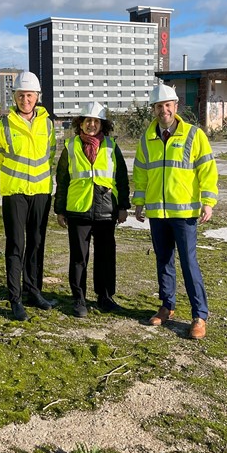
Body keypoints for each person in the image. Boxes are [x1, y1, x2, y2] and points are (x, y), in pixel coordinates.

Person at [132, 83, 218, 340]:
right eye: (159, 106)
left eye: (167, 105)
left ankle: (199, 315)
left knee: (189, 263)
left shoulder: (194, 135)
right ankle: (167, 306)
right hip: (158, 213)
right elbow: (141, 173)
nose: (163, 110)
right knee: (163, 261)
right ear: (154, 109)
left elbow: (207, 169)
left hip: (184, 213)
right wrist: (139, 202)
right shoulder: (146, 139)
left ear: (176, 106)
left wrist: (208, 201)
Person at [54, 102, 130, 318]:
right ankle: (79, 298)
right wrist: (60, 210)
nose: (91, 124)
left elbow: (122, 179)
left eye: (96, 121)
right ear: (81, 123)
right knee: (79, 257)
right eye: (88, 120)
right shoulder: (70, 147)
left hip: (106, 210)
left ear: (103, 125)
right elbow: (62, 180)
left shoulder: (111, 147)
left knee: (106, 256)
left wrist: (123, 206)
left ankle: (105, 297)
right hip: (78, 210)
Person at [0, 71, 56, 321]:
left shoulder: (47, 124)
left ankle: (33, 291)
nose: (25, 99)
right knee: (16, 245)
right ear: (14, 96)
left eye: (29, 95)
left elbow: (49, 155)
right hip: (15, 193)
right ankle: (15, 298)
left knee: (37, 243)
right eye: (21, 95)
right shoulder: (4, 125)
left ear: (37, 96)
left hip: (40, 192)